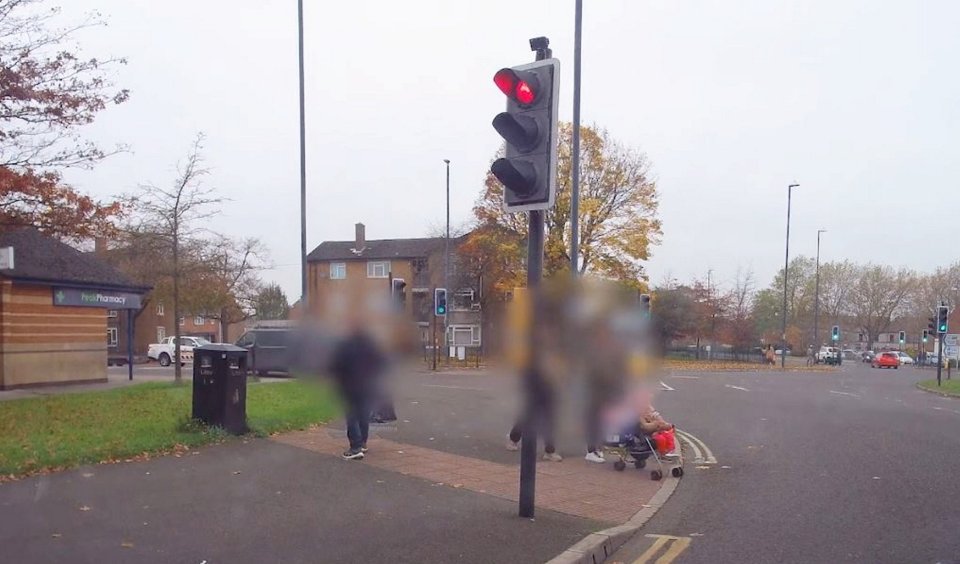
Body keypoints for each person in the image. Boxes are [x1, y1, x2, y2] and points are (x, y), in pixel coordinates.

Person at [329, 322, 387, 460]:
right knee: (363, 414)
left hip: (350, 385)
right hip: (367, 385)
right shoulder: (371, 345)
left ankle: (355, 447)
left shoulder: (345, 345)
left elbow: (337, 365)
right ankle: (363, 443)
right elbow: (381, 363)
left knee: (351, 415)